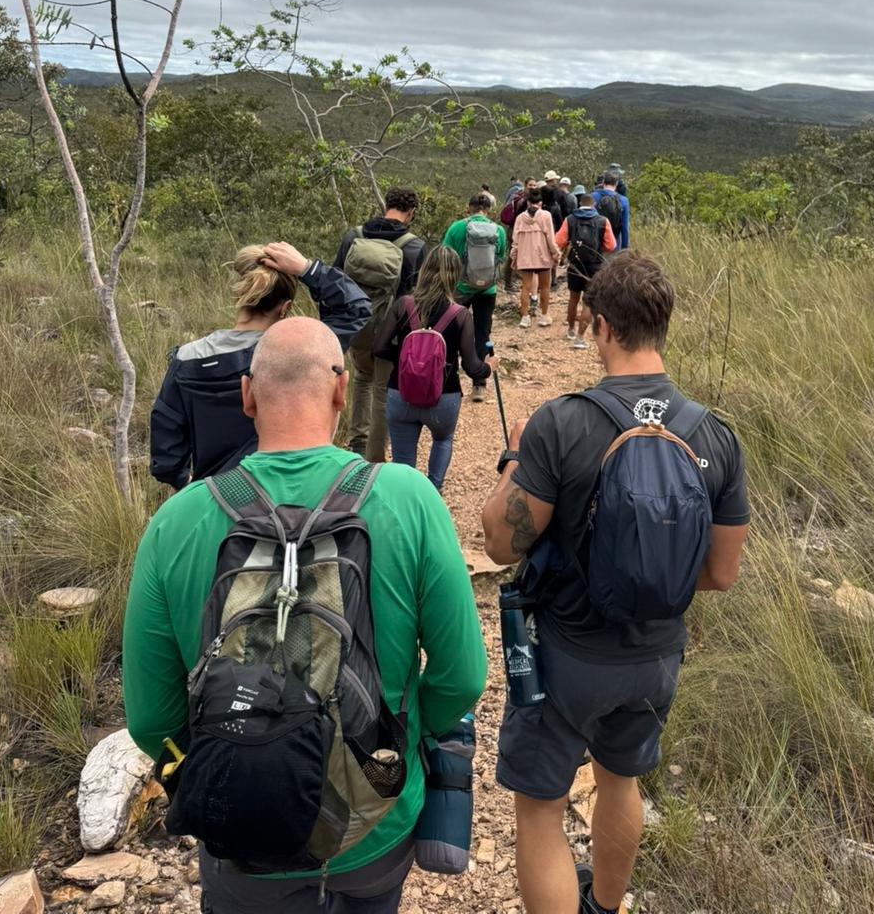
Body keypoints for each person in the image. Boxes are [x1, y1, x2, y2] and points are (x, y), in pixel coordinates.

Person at [126, 318, 487, 914]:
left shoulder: (176, 523)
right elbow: (462, 678)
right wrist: (398, 740)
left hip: (241, 844)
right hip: (375, 832)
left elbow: (151, 721)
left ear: (247, 396)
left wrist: (244, 768)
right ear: (342, 391)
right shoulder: (411, 498)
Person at [481, 252, 750, 914]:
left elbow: (500, 543)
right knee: (620, 780)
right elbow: (721, 573)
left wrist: (516, 458)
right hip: (655, 657)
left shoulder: (562, 423)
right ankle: (604, 905)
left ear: (600, 325)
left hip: (566, 655)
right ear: (663, 326)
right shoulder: (715, 435)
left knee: (541, 808)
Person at [149, 242, 370, 489]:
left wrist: (189, 486)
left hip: (216, 496)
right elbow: (355, 309)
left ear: (239, 296)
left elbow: (166, 454)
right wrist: (308, 269)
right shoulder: (299, 351)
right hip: (286, 493)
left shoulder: (186, 358)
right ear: (285, 308)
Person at [373, 248, 496, 491]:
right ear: (455, 275)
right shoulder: (461, 315)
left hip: (401, 394)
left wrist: (407, 362)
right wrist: (489, 368)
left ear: (424, 270)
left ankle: (407, 500)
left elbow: (378, 348)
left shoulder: (403, 305)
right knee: (442, 440)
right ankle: (434, 491)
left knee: (403, 466)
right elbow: (471, 367)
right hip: (443, 398)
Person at [334, 187, 426, 459]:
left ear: (386, 205)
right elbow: (416, 296)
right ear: (411, 212)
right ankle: (374, 458)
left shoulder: (354, 236)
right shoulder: (414, 247)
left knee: (363, 378)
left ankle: (357, 444)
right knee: (382, 389)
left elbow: (336, 279)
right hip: (392, 330)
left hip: (358, 325)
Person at [442, 192, 506, 403]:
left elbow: (445, 256)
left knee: (452, 332)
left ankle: (449, 381)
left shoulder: (456, 228)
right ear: (488, 210)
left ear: (469, 208)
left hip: (460, 288)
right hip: (487, 290)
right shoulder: (498, 230)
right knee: (482, 334)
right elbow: (501, 257)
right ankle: (479, 385)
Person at [555, 193, 615, 348]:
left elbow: (558, 241)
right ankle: (580, 338)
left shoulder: (570, 219)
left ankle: (570, 330)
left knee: (573, 298)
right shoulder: (602, 221)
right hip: (594, 266)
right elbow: (611, 245)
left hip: (575, 265)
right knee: (588, 302)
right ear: (593, 204)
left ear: (579, 204)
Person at [511, 187, 560, 330]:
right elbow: (550, 238)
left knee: (526, 288)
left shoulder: (520, 218)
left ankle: (525, 318)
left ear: (527, 202)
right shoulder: (546, 216)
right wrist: (556, 253)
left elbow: (515, 240)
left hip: (525, 257)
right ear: (540, 202)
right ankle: (544, 316)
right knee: (545, 287)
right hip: (542, 256)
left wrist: (514, 256)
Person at [500, 177, 537, 294]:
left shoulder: (519, 196)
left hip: (517, 230)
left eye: (534, 185)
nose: (532, 187)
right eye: (530, 185)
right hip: (517, 231)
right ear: (525, 185)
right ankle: (508, 284)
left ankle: (511, 282)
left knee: (516, 256)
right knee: (513, 256)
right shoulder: (523, 199)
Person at [594, 171, 630, 251]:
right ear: (616, 184)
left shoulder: (593, 196)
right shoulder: (624, 200)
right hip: (614, 243)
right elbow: (625, 227)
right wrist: (624, 249)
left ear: (603, 182)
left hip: (596, 243)